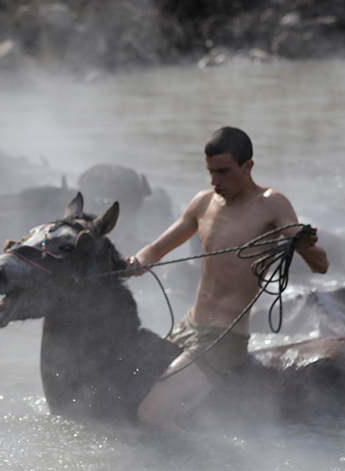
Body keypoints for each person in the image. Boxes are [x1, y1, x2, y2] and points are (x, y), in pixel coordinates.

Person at [127, 127, 329, 432]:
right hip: (187, 326)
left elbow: (321, 265)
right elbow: (156, 249)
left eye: (223, 171)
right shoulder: (202, 202)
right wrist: (136, 262)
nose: (214, 181)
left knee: (151, 414)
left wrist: (304, 246)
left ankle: (205, 470)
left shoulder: (270, 203)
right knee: (132, 391)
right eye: (210, 171)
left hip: (223, 340)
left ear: (248, 167)